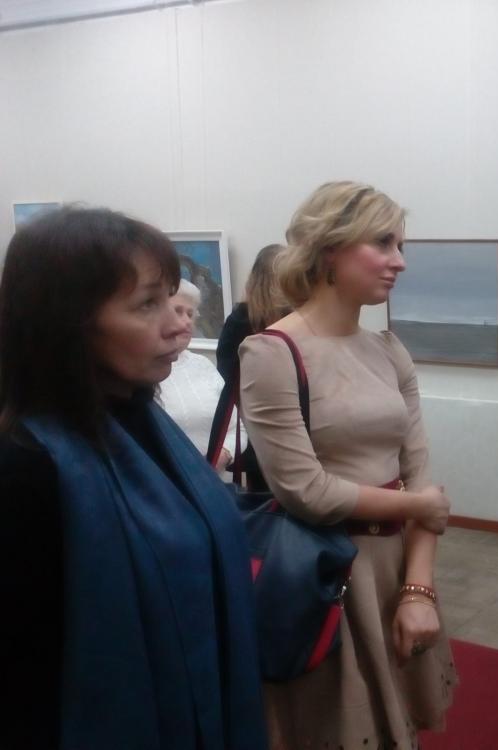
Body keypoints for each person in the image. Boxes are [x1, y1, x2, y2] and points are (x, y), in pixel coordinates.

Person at [0, 207, 266, 750]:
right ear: (67, 324)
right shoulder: (28, 463)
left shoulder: (147, 423)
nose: (178, 323)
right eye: (147, 305)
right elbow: (22, 669)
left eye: (171, 297)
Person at [239, 181, 456, 750]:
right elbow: (305, 490)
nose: (399, 261)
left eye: (400, 245)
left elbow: (420, 470)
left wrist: (419, 589)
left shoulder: (387, 348)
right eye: (382, 243)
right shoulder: (271, 353)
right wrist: (416, 504)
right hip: (326, 573)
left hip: (395, 566)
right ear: (329, 248)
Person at [216, 243, 289, 489]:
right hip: (266, 424)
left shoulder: (240, 320)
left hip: (261, 422)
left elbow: (226, 376)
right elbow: (229, 380)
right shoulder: (243, 321)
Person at [159, 278, 236, 468]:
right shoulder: (143, 372)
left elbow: (236, 425)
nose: (187, 321)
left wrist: (223, 455)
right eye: (178, 311)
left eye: (190, 314)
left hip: (214, 479)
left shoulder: (203, 365)